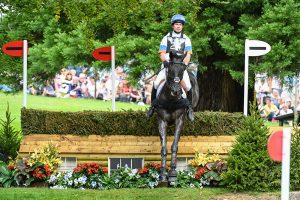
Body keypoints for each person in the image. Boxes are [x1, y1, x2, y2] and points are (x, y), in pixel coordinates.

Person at [146, 14, 194, 121]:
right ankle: (152, 107)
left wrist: (185, 65)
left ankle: (189, 109)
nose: (178, 26)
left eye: (180, 24)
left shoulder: (187, 39)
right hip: (168, 66)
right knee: (156, 83)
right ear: (173, 26)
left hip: (180, 67)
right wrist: (165, 62)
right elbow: (162, 53)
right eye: (176, 24)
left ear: (182, 26)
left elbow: (188, 55)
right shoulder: (165, 38)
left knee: (189, 87)